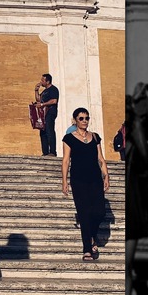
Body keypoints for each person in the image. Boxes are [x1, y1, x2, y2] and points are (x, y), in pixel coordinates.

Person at [124, 98, 148, 295]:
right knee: (125, 268)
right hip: (128, 201)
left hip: (129, 202)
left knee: (124, 267)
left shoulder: (133, 144)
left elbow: (145, 164)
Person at [62, 108, 109, 262]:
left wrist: (106, 175)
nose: (84, 121)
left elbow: (101, 158)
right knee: (84, 214)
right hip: (78, 180)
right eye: (81, 118)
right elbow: (66, 160)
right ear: (75, 120)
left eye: (87, 118)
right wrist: (64, 181)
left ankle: (92, 236)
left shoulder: (95, 137)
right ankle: (87, 249)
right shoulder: (68, 138)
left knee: (99, 212)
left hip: (95, 179)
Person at [34, 73, 59, 156]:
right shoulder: (44, 91)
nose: (41, 82)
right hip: (43, 114)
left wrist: (42, 105)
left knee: (49, 131)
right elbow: (39, 99)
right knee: (43, 132)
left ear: (47, 81)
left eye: (42, 80)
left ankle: (52, 152)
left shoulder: (53, 89)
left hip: (50, 112)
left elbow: (54, 101)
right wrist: (36, 90)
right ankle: (45, 152)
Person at [133, 82, 148, 150]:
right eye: (142, 89)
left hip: (147, 120)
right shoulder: (136, 98)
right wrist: (143, 87)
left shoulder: (147, 98)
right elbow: (135, 98)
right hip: (138, 120)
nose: (143, 90)